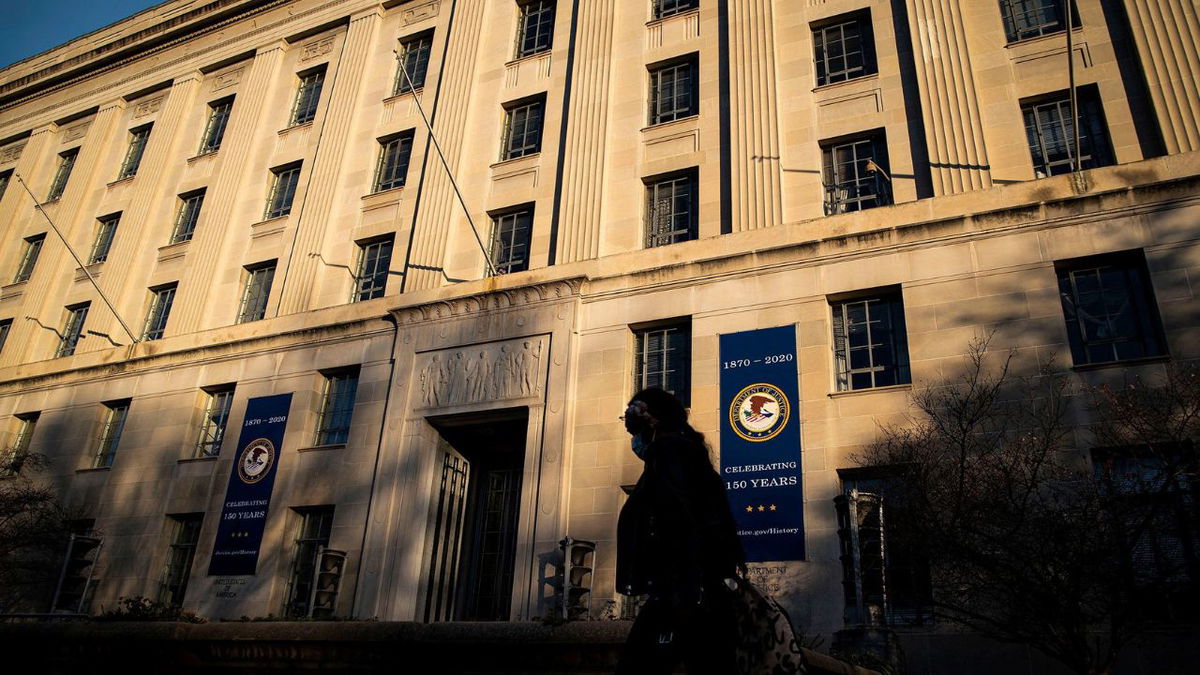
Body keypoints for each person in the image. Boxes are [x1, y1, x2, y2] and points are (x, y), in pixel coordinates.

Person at [615, 387, 745, 675]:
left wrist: (680, 584)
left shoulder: (669, 452)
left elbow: (679, 520)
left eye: (633, 411)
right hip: (690, 588)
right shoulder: (680, 451)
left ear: (652, 417)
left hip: (681, 591)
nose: (628, 421)